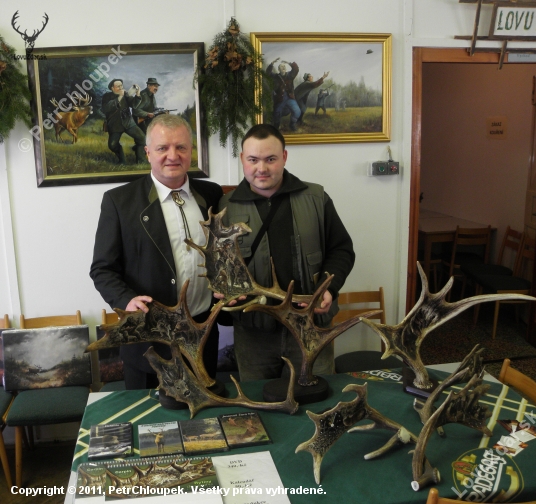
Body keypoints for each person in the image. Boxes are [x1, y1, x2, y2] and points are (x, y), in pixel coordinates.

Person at [90, 114, 223, 390]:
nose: (172, 156)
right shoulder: (119, 201)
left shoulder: (212, 194)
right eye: (163, 148)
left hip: (202, 336)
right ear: (148, 152)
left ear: (191, 151)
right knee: (151, 427)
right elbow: (102, 269)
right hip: (148, 341)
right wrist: (125, 300)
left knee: (202, 426)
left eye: (181, 147)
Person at [217, 124, 355, 381]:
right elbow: (220, 267)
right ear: (242, 160)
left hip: (310, 326)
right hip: (254, 336)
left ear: (285, 157)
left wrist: (328, 289)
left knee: (318, 397)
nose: (262, 168)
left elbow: (342, 250)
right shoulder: (226, 208)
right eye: (253, 160)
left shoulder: (316, 197)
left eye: (270, 159)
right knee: (258, 404)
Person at [101, 79, 147, 164]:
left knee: (142, 138)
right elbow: (105, 109)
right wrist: (119, 98)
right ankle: (122, 160)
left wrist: (137, 94)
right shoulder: (106, 96)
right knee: (112, 145)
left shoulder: (126, 94)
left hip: (128, 122)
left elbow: (134, 105)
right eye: (118, 86)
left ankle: (141, 160)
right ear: (112, 88)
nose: (120, 88)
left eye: (121, 86)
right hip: (115, 124)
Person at [266, 58, 300, 131]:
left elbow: (296, 69)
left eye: (284, 66)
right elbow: (267, 73)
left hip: (289, 98)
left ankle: (292, 125)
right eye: (281, 66)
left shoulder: (290, 75)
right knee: (277, 114)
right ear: (279, 69)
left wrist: (288, 62)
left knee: (297, 111)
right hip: (279, 99)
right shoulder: (275, 76)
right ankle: (276, 126)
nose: (283, 67)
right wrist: (271, 64)